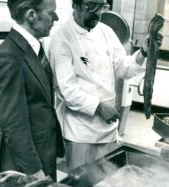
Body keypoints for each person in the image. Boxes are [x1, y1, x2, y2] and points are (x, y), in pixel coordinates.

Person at [49, 0, 163, 172]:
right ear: (76, 5)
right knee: (83, 184)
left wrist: (144, 52)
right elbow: (67, 90)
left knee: (107, 183)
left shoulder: (106, 32)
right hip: (81, 132)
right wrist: (99, 107)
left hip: (108, 129)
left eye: (101, 6)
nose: (97, 12)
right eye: (91, 6)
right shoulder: (62, 38)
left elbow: (123, 68)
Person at [0, 0, 64, 181]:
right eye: (51, 12)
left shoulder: (33, 47)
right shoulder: (9, 55)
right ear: (31, 15)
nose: (56, 17)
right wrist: (35, 172)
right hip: (27, 166)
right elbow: (13, 125)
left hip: (43, 153)